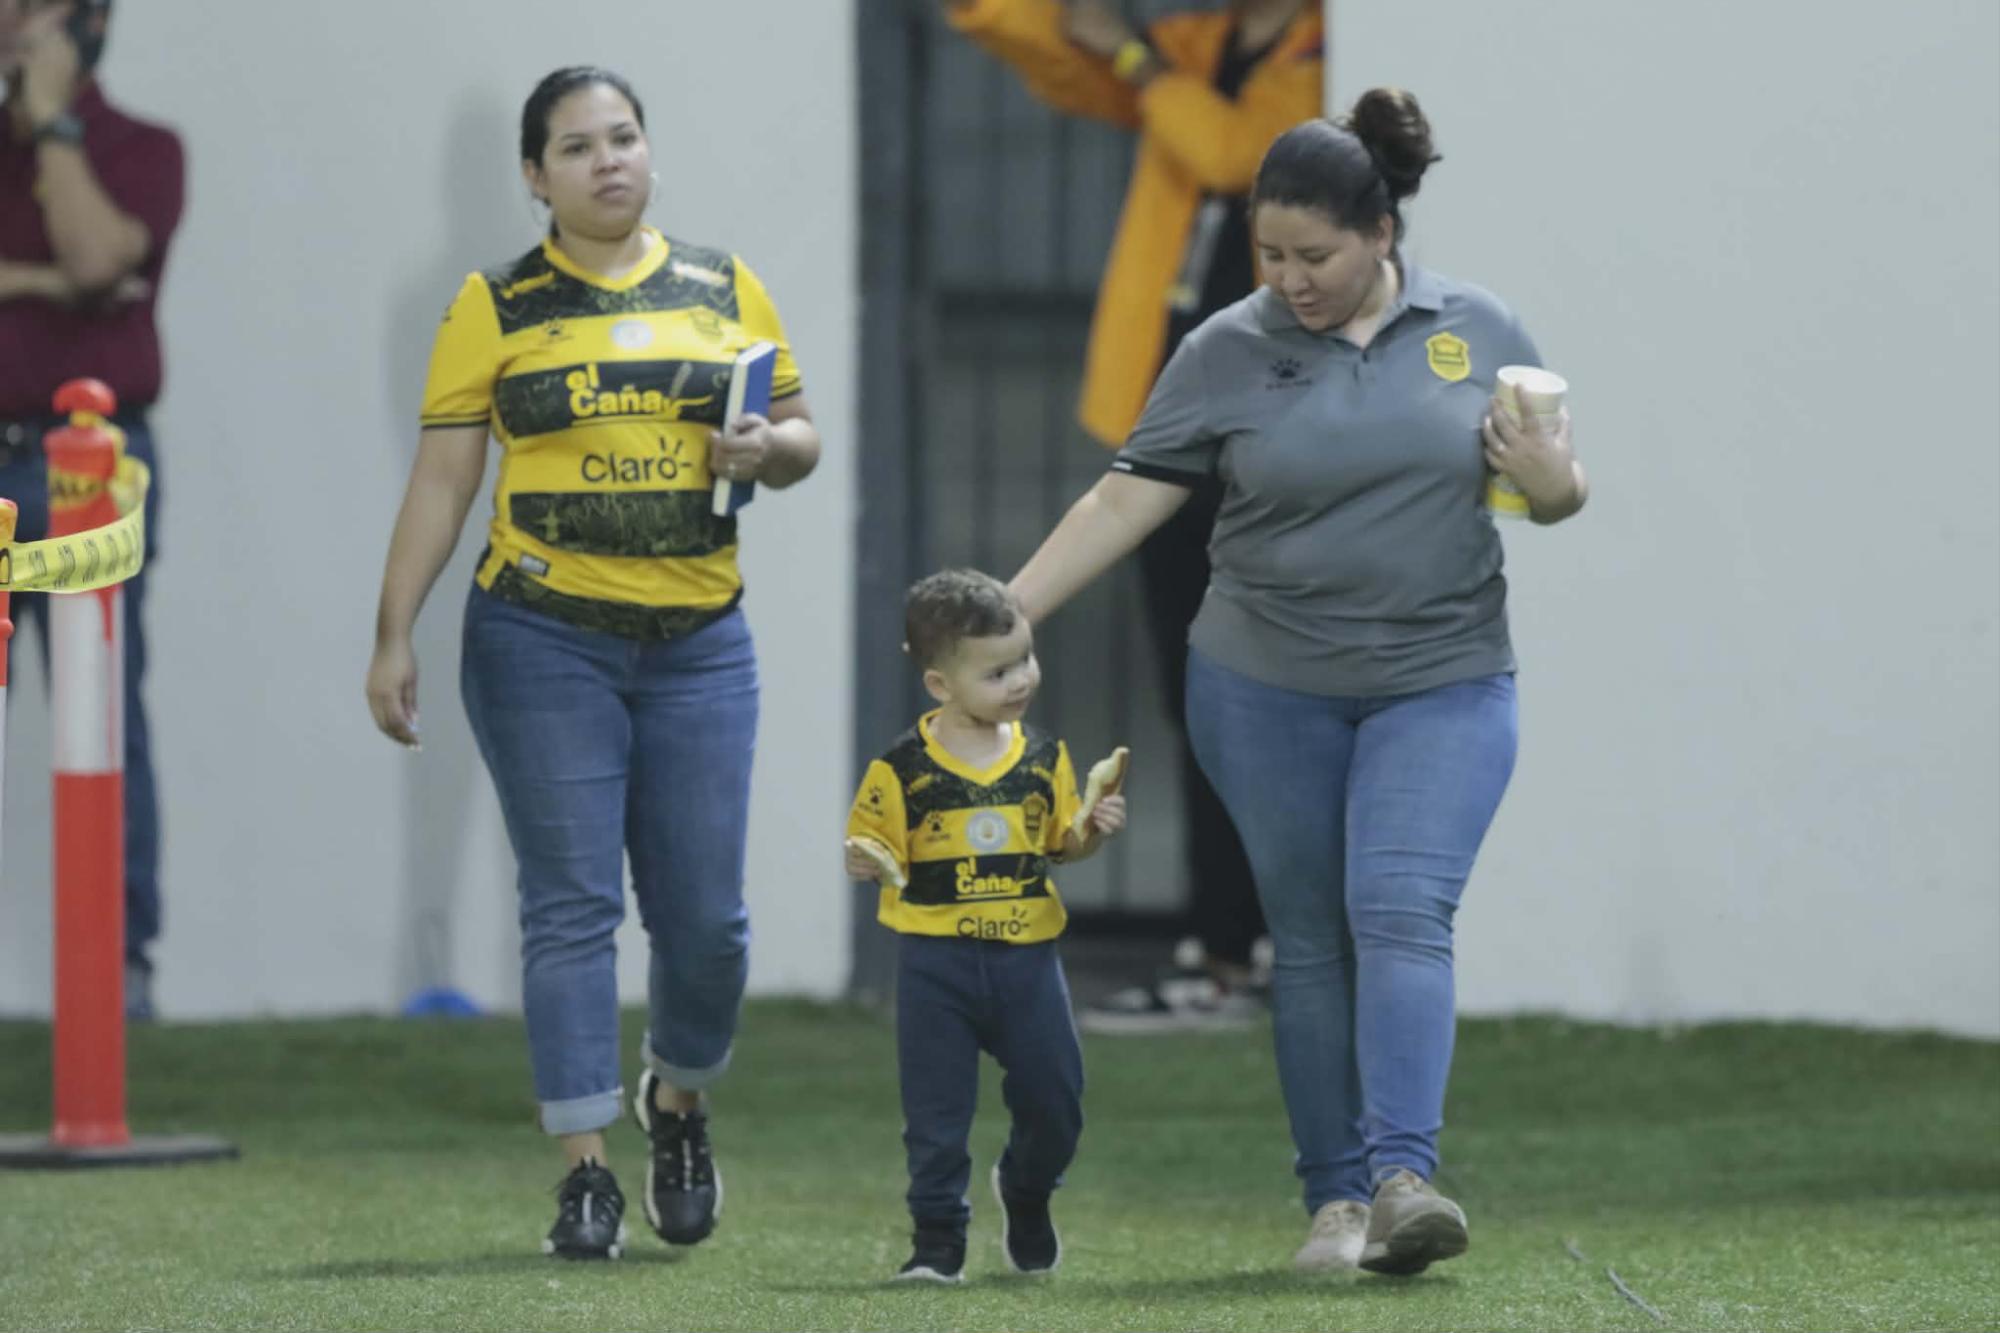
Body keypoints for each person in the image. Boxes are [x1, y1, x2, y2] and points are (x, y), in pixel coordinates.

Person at [1008, 91, 1588, 1276]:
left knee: (1400, 908)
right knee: (1310, 937)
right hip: (1262, 686)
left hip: (1443, 678)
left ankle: (1401, 1180)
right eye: (1268, 254)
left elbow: (1552, 494)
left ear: (1380, 232)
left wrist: (1549, 478)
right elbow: (1122, 497)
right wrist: (1004, 609)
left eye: (1312, 255)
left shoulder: (1477, 327)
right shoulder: (1224, 347)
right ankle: (1331, 1201)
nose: (1288, 279)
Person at [364, 66, 821, 1261]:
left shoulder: (722, 285)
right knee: (569, 907)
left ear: (648, 152)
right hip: (539, 637)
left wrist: (769, 448)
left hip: (700, 645)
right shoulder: (494, 303)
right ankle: (583, 1174)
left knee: (706, 922)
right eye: (576, 147)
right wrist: (393, 630)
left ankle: (677, 1100)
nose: (607, 160)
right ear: (535, 176)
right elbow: (444, 479)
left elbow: (799, 433)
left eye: (623, 137)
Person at [941, 0, 1325, 1031]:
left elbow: (1235, 152)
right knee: (1202, 697)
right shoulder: (1201, 47)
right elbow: (1060, 55)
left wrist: (1131, 54)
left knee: (1260, 702)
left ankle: (1251, 952)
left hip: (1268, 442)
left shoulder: (1320, 55)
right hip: (1180, 432)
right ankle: (1227, 949)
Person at [844, 569, 1126, 1282]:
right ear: (940, 684)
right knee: (935, 1116)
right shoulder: (901, 769)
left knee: (1056, 1101)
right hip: (935, 963)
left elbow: (1061, 844)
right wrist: (864, 858)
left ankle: (1026, 1189)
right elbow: (871, 846)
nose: (1020, 679)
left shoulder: (1043, 758)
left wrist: (1093, 829)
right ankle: (937, 1241)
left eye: (1025, 658)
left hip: (1027, 964)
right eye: (997, 671)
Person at [0, 0, 183, 1020]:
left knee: (100, 709)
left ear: (90, 22)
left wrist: (54, 123)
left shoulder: (138, 148)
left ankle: (120, 972)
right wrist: (47, 281)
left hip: (90, 466)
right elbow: (75, 276)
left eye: (39, 6)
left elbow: (100, 258)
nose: (15, 21)